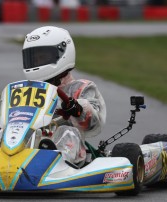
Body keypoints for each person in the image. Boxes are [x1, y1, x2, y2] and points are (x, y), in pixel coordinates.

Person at [22, 26, 106, 166]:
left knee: (66, 132)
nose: (36, 63)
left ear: (62, 53)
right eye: (33, 58)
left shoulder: (81, 87)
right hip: (31, 140)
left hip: (67, 146)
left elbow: (93, 122)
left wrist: (78, 108)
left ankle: (53, 161)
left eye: (42, 57)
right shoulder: (26, 90)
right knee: (2, 134)